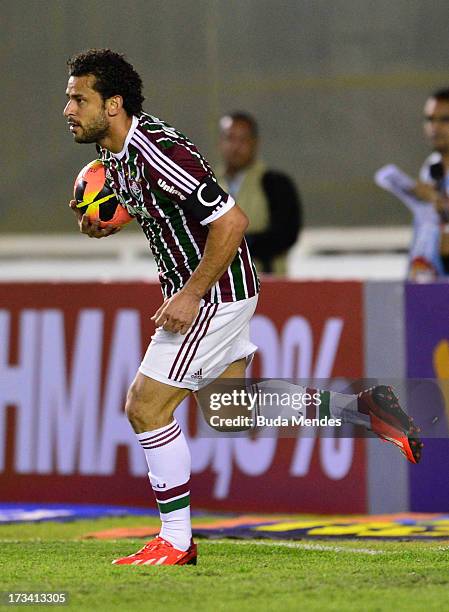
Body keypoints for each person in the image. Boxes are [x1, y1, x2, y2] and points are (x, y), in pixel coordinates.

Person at [64, 49, 422, 567]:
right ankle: (364, 409)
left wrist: (189, 295)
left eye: (80, 98)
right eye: (68, 98)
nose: (68, 108)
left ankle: (176, 541)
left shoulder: (157, 149)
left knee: (144, 406)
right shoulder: (114, 156)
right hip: (221, 290)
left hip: (212, 293)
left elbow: (231, 223)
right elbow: (156, 207)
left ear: (113, 104)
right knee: (229, 410)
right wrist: (106, 222)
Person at [216, 112, 302, 275]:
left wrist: (232, 244)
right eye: (230, 138)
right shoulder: (207, 185)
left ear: (255, 143)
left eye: (243, 139)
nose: (236, 146)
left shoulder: (274, 183)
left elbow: (285, 234)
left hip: (265, 283)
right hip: (219, 289)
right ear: (220, 143)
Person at [410, 88, 449, 278]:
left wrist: (440, 207)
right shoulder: (430, 167)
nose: (435, 127)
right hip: (427, 284)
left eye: (444, 120)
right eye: (430, 119)